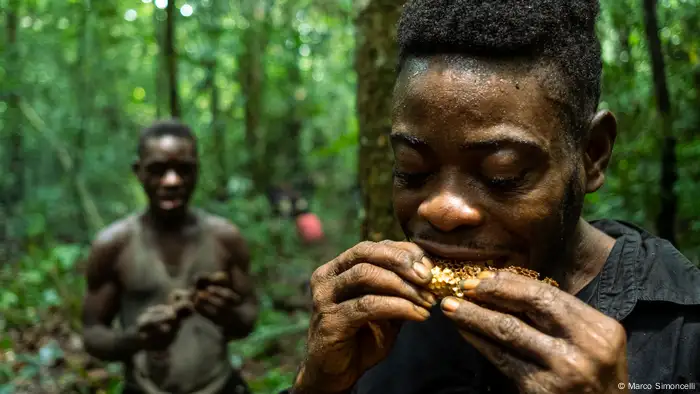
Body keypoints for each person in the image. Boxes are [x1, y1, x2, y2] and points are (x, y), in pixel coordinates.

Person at [284, 1, 700, 393]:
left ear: (591, 155)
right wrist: (317, 385)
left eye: (503, 175)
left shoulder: (683, 331)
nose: (441, 209)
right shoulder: (378, 322)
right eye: (412, 170)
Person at [81, 119, 258, 394]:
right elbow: (93, 332)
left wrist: (226, 314)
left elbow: (248, 316)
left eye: (183, 170)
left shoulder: (225, 239)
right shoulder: (113, 245)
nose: (172, 181)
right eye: (158, 170)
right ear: (138, 171)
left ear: (197, 171)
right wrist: (137, 339)